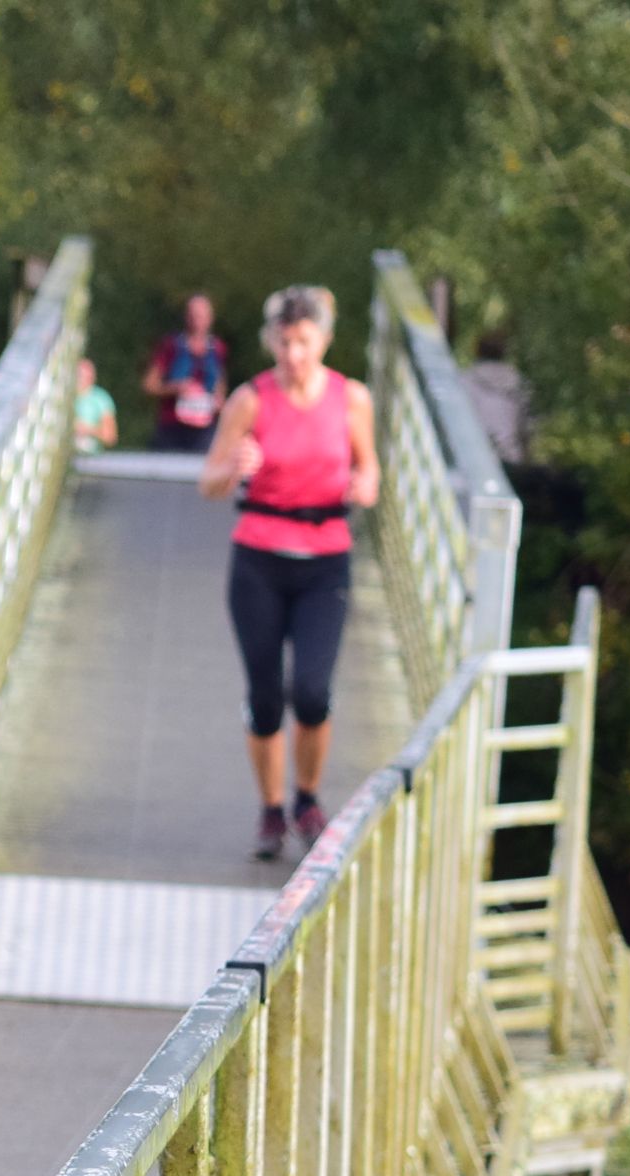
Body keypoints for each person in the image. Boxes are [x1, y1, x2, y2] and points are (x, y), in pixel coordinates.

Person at [198, 285, 380, 861]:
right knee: (265, 696)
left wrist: (364, 486)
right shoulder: (251, 400)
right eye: (283, 342)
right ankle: (271, 809)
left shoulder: (351, 399)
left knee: (313, 692)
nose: (293, 354)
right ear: (270, 342)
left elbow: (370, 471)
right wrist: (235, 466)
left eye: (303, 342)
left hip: (325, 562)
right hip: (259, 560)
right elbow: (209, 483)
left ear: (324, 339)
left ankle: (307, 798)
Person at [144, 293, 229, 453]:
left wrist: (219, 402)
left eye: (201, 316)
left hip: (204, 431)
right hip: (172, 429)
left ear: (210, 318)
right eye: (193, 315)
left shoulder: (218, 348)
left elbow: (219, 384)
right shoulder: (170, 346)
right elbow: (149, 385)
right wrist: (175, 388)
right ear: (186, 317)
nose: (197, 321)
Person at [72, 357, 118, 455]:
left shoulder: (101, 399)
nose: (82, 379)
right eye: (79, 375)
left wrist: (87, 430)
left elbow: (110, 436)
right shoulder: (65, 397)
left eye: (85, 375)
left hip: (91, 454)